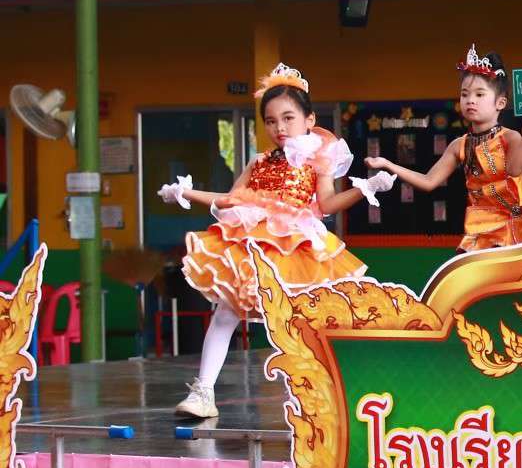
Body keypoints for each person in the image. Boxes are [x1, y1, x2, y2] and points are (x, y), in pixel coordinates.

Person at [157, 64, 391, 420]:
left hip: (297, 248)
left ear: (309, 119)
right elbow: (230, 199)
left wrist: (366, 188)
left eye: (288, 118)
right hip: (252, 244)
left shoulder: (317, 162)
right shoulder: (259, 161)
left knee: (311, 320)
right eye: (270, 121)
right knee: (226, 313)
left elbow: (327, 204)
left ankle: (330, 394)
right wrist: (185, 192)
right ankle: (203, 392)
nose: (279, 128)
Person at [365, 46, 522, 251]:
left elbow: (514, 169)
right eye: (465, 94)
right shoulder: (459, 145)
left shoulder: (510, 137)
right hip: (480, 228)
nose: (470, 100)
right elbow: (428, 182)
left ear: (500, 103)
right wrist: (387, 164)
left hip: (516, 227)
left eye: (479, 94)